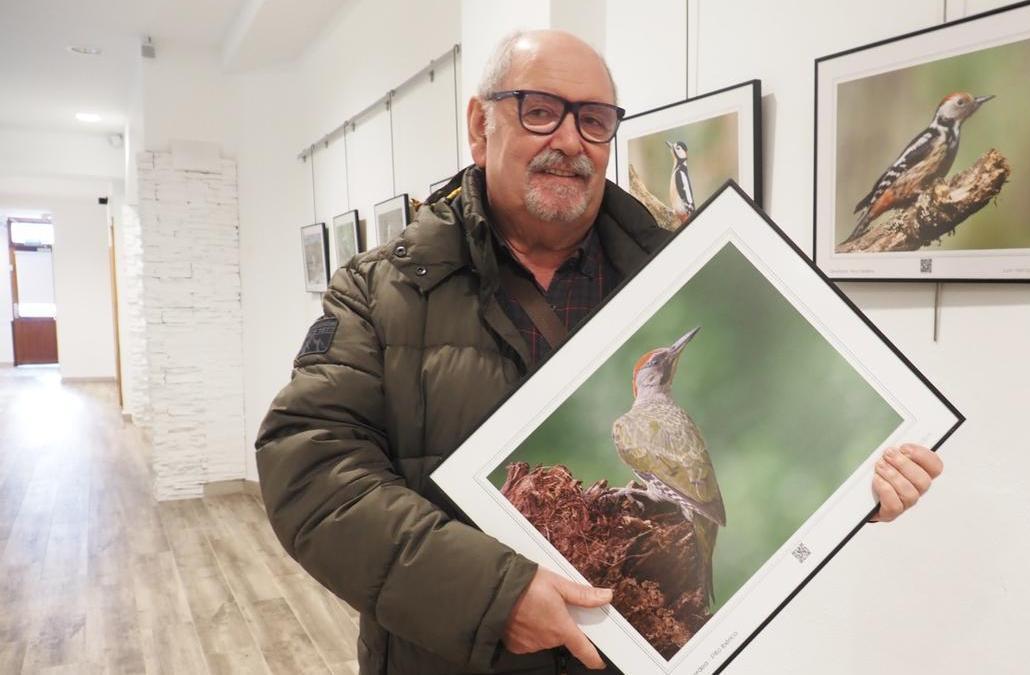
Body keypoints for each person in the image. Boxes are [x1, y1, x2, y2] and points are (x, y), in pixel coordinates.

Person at [256, 29, 944, 675]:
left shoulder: (672, 271)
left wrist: (855, 495)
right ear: (478, 126)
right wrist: (495, 597)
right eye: (539, 110)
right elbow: (312, 478)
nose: (569, 139)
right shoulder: (382, 291)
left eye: (594, 119)